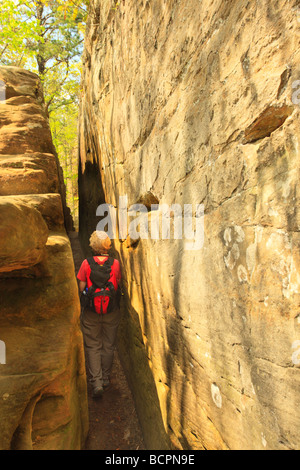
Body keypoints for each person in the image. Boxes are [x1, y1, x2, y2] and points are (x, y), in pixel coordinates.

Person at [77, 231, 122, 398]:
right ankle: (105, 378)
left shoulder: (86, 264)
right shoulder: (115, 264)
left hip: (91, 312)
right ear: (108, 246)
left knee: (93, 346)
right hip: (111, 311)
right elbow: (117, 285)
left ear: (92, 246)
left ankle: (96, 382)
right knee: (108, 345)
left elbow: (82, 288)